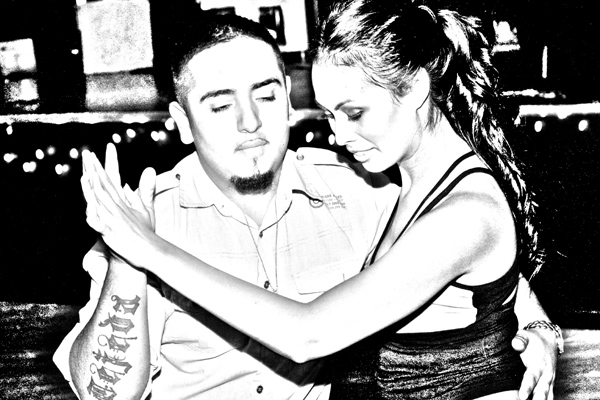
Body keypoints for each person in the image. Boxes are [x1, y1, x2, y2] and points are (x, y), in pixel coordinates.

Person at [58, 10, 559, 400]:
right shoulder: (146, 218)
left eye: (266, 96)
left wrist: (536, 325)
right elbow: (104, 394)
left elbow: (467, 253)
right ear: (183, 121)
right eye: (221, 104)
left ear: (289, 100)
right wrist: (130, 258)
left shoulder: (362, 185)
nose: (249, 121)